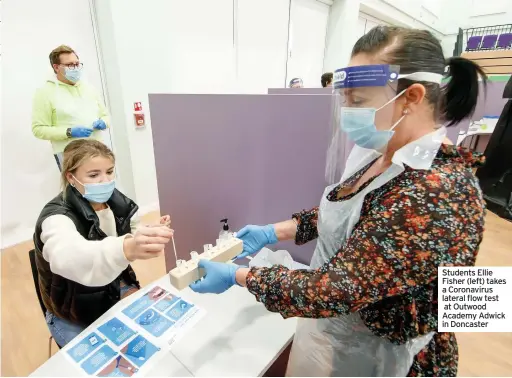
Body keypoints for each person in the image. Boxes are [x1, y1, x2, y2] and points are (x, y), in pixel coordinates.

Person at [190, 26, 487, 377]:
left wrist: (239, 275)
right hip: (344, 335)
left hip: (389, 356)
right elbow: (352, 212)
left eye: (358, 101)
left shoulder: (437, 193)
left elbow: (336, 290)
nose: (348, 110)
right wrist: (275, 231)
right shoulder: (380, 153)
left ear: (411, 98)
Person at [34, 139, 173, 347]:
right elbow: (69, 257)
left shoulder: (116, 202)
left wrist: (150, 232)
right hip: (72, 310)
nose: (104, 180)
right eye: (93, 175)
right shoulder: (56, 217)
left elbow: (132, 230)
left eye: (109, 171)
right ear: (71, 177)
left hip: (115, 287)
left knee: (160, 337)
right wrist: (126, 248)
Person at [32, 45, 110, 171]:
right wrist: (68, 132)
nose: (75, 68)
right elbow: (38, 129)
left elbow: (105, 115)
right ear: (56, 67)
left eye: (77, 64)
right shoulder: (45, 92)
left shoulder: (89, 89)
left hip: (97, 150)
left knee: (102, 186)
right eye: (69, 65)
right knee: (77, 189)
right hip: (69, 154)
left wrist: (104, 122)